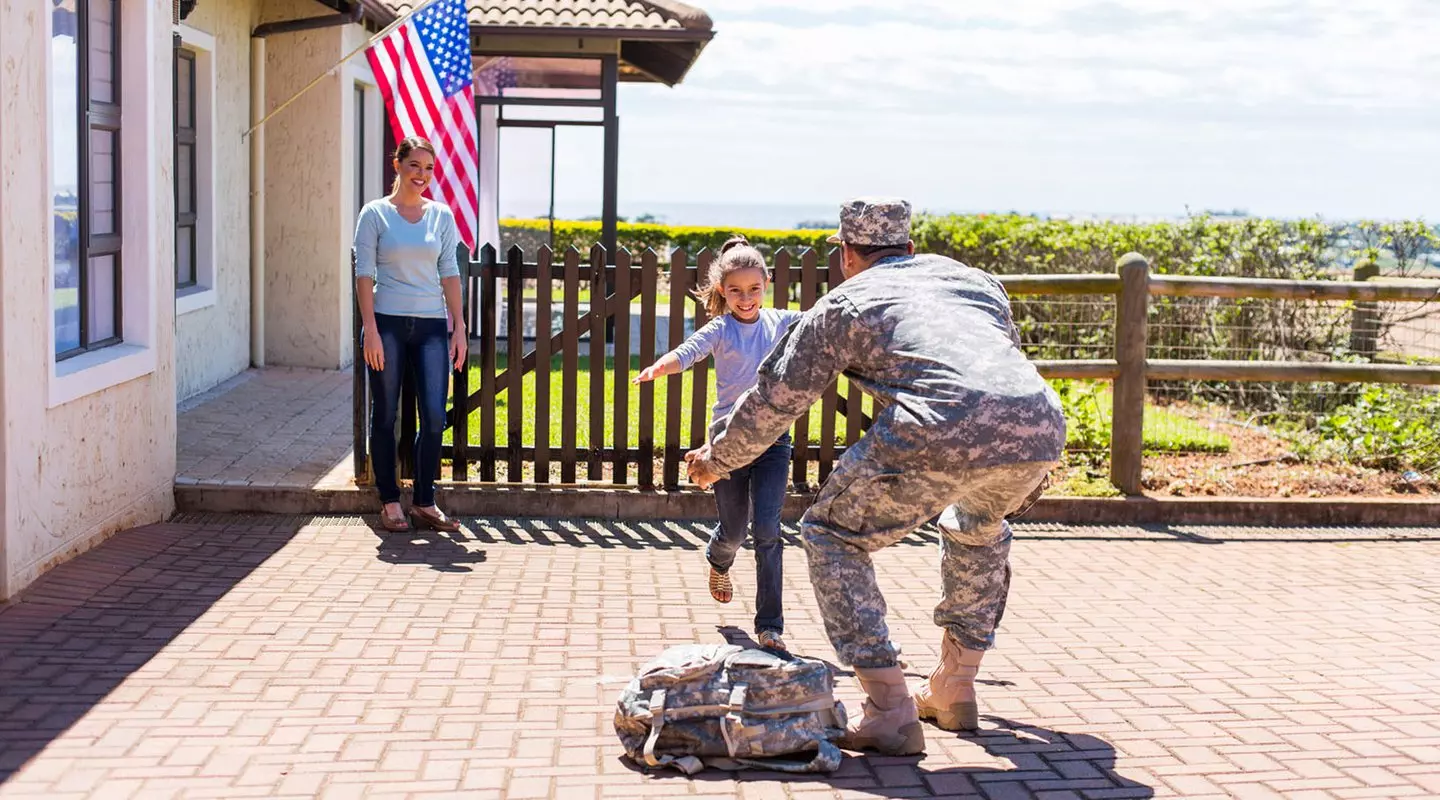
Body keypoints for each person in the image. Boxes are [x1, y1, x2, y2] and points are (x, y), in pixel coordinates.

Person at [685, 198, 1065, 755]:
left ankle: (890, 709)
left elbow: (775, 401)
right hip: (1038, 422)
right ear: (909, 249)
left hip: (939, 421)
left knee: (831, 535)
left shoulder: (842, 303)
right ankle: (955, 689)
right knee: (977, 527)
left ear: (845, 255)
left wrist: (716, 460)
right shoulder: (974, 280)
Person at [635, 237, 803, 653]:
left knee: (767, 530)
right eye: (735, 291)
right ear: (722, 291)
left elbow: (825, 322)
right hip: (726, 446)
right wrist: (659, 368)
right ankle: (718, 558)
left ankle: (770, 627)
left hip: (773, 440)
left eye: (753, 289)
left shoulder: (782, 321)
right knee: (734, 530)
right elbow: (688, 352)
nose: (745, 299)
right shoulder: (722, 329)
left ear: (766, 283)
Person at [354, 136, 467, 534]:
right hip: (386, 323)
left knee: (434, 416)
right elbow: (364, 273)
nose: (422, 175)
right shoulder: (375, 215)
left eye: (429, 168)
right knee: (385, 414)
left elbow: (449, 272)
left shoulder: (441, 216)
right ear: (398, 164)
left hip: (432, 327)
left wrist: (460, 327)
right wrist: (369, 329)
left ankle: (423, 501)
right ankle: (389, 500)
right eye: (415, 165)